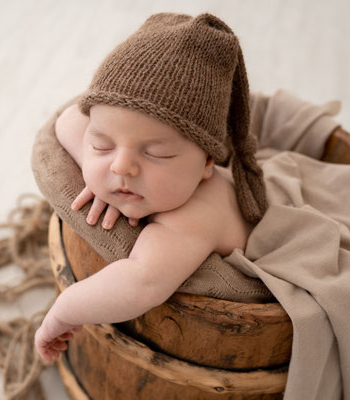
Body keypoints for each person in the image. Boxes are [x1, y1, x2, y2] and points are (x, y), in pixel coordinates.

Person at [34, 12, 267, 363]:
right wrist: (97, 174)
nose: (121, 166)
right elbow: (69, 120)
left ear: (207, 164)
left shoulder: (191, 218)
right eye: (102, 145)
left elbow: (142, 283)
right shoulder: (132, 164)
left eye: (156, 153)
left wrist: (64, 309)